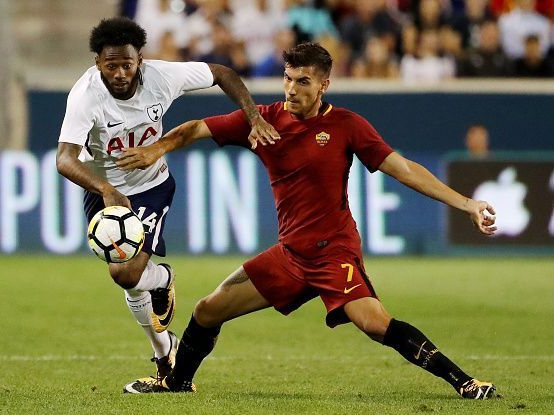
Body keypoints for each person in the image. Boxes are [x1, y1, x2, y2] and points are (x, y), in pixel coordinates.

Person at [117, 42, 498, 399]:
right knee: (206, 311)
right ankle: (177, 383)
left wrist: (466, 204)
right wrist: (157, 148)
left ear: (323, 85)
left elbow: (405, 170)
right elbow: (198, 127)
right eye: (287, 78)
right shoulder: (263, 120)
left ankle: (465, 383)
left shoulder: (348, 125)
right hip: (290, 256)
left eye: (303, 81)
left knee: (374, 323)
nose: (291, 88)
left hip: (334, 253)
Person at [55, 16, 279, 392]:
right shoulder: (85, 95)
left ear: (139, 59)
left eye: (128, 64)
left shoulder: (163, 77)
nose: (121, 73)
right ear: (98, 63)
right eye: (111, 66)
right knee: (130, 282)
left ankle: (162, 280)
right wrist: (107, 190)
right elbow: (65, 159)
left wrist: (253, 116)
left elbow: (223, 73)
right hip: (104, 189)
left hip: (151, 185)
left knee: (125, 273)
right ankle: (164, 350)